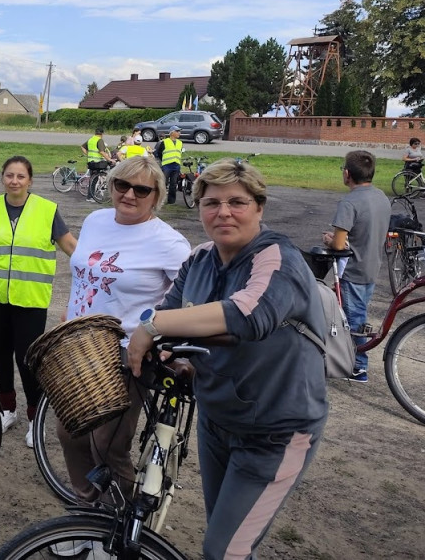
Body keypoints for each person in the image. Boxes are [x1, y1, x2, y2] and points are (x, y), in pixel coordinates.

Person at [126, 159, 328, 560]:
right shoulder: (199, 258)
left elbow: (248, 316)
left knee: (224, 550)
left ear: (259, 207)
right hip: (218, 422)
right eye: (211, 202)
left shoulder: (277, 258)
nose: (223, 212)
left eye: (237, 202)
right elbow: (173, 315)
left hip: (276, 430)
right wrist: (166, 348)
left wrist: (151, 325)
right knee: (225, 532)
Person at [57, 155, 190, 504]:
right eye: (122, 184)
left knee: (107, 445)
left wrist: (164, 338)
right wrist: (72, 310)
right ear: (112, 184)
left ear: (157, 195)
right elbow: (88, 272)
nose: (129, 194)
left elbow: (192, 299)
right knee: (70, 430)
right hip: (78, 343)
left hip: (126, 350)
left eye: (142, 189)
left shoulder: (168, 242)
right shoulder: (96, 219)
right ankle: (87, 507)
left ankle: (115, 526)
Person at [0, 156, 77, 447]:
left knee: (28, 359)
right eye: (9, 175)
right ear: (2, 177)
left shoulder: (46, 210)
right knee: (0, 354)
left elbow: (70, 246)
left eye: (21, 176)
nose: (14, 181)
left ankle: (33, 417)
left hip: (30, 299)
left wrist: (94, 269)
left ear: (30, 180)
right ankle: (6, 409)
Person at [322, 150, 390, 383]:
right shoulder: (381, 196)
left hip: (352, 269)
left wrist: (330, 239)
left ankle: (358, 366)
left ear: (347, 174)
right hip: (372, 265)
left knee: (352, 319)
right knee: (357, 313)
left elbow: (339, 245)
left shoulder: (350, 202)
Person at [153, 126, 184, 204]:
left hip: (176, 165)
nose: (179, 133)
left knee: (173, 184)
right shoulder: (164, 142)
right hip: (167, 165)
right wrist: (164, 160)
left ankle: (171, 201)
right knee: (163, 183)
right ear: (172, 133)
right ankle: (160, 199)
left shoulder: (180, 143)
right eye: (177, 131)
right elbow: (159, 153)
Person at [82, 127, 113, 203]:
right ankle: (91, 197)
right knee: (94, 179)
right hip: (97, 162)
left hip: (90, 162)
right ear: (102, 134)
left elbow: (82, 147)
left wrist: (88, 154)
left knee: (92, 179)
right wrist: (109, 159)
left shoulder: (91, 139)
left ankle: (90, 196)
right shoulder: (99, 140)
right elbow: (102, 152)